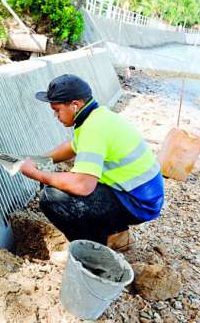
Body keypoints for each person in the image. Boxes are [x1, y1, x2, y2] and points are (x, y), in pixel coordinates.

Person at [20, 74, 164, 251]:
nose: (55, 115)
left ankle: (92, 250)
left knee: (52, 198)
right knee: (55, 182)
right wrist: (38, 160)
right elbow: (72, 146)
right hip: (141, 193)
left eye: (57, 109)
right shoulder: (96, 116)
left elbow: (83, 186)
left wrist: (35, 173)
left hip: (138, 202)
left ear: (75, 105)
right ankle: (117, 235)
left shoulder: (93, 129)